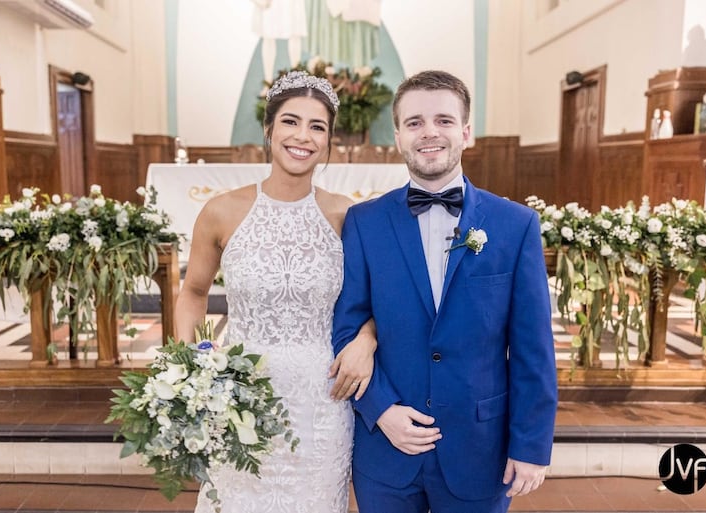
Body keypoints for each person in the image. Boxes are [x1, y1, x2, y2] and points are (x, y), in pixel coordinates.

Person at [332, 70, 558, 513]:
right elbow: (346, 327)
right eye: (414, 122)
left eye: (444, 120)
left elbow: (534, 348)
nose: (429, 132)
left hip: (480, 448)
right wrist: (380, 410)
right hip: (386, 449)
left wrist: (531, 444)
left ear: (466, 132)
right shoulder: (364, 222)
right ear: (398, 135)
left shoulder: (515, 225)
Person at [175, 70, 376, 513]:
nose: (302, 136)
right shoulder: (221, 212)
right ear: (269, 130)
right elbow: (192, 292)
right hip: (241, 399)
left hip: (324, 403)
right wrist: (195, 367)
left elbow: (382, 299)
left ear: (328, 142)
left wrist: (367, 339)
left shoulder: (348, 216)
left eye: (317, 126)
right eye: (290, 121)